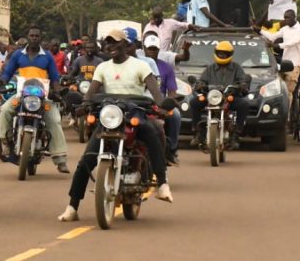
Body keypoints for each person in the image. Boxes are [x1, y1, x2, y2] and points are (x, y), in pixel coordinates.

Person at [57, 28, 174, 222]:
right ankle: (72, 206)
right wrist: (83, 105)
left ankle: (162, 184)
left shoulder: (140, 66)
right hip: (110, 115)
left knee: (153, 132)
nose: (111, 46)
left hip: (135, 112)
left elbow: (155, 92)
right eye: (108, 42)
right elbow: (91, 92)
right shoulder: (103, 68)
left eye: (115, 42)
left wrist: (162, 106)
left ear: (127, 45)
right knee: (86, 161)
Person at [0, 25, 70, 173]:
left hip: (42, 97)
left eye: (37, 36)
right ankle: (6, 142)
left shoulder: (47, 56)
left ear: (40, 38)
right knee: (5, 110)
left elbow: (55, 77)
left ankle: (60, 159)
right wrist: (1, 83)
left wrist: (57, 92)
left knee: (54, 119)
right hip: (21, 95)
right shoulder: (18, 54)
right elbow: (8, 73)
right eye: (32, 36)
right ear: (28, 37)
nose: (34, 38)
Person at [186, 40, 250, 149]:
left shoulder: (236, 68)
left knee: (243, 104)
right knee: (194, 102)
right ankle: (198, 133)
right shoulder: (210, 68)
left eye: (224, 53)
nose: (222, 55)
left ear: (230, 54)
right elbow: (202, 81)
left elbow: (243, 79)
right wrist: (199, 85)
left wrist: (243, 85)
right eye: (220, 53)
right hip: (212, 96)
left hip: (229, 97)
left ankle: (235, 134)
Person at [142, 34, 183, 165]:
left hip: (160, 103)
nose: (152, 51)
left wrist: (167, 104)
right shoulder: (137, 65)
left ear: (159, 50)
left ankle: (172, 150)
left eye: (155, 49)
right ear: (144, 49)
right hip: (141, 101)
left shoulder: (166, 68)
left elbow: (172, 91)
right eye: (150, 49)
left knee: (175, 115)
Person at [257, 9, 300, 111]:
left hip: (295, 64)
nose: (286, 20)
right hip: (285, 63)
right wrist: (260, 31)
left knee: (288, 91)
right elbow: (272, 36)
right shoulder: (285, 29)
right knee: (279, 90)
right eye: (285, 18)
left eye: (288, 17)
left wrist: (277, 45)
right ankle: (279, 113)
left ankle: (286, 116)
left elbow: (294, 42)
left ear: (294, 17)